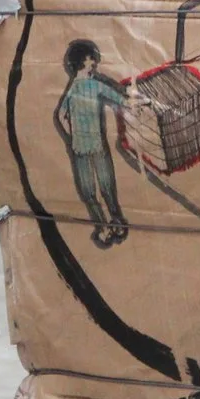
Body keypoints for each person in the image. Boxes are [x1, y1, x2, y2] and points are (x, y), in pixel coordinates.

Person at [55, 39, 130, 248]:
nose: (93, 63)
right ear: (81, 62)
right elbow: (61, 114)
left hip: (88, 145)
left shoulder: (87, 86)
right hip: (87, 146)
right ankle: (106, 223)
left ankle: (112, 222)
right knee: (93, 189)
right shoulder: (81, 87)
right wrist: (72, 136)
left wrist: (72, 136)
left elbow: (118, 98)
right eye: (90, 59)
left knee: (101, 187)